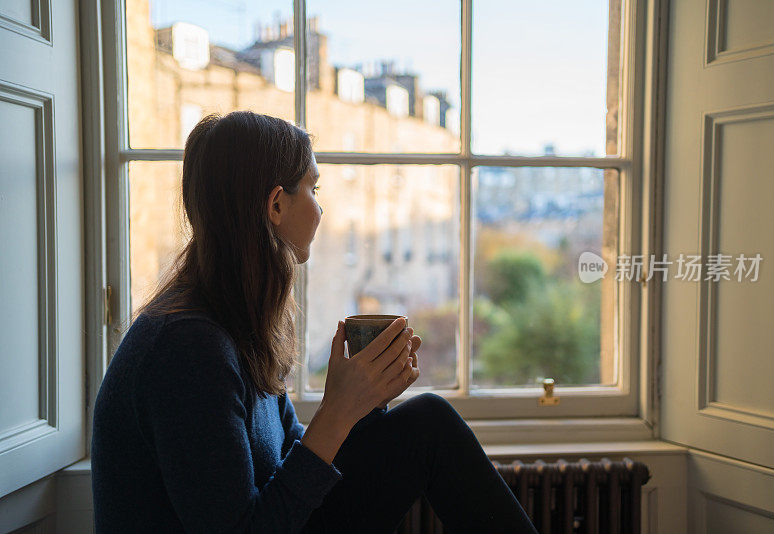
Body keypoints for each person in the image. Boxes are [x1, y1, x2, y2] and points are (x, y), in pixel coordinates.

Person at [91, 111, 539, 534]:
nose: (321, 210)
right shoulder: (187, 348)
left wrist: (362, 401)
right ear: (276, 205)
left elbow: (291, 456)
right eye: (313, 188)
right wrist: (336, 411)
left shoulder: (232, 323)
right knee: (430, 424)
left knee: (425, 426)